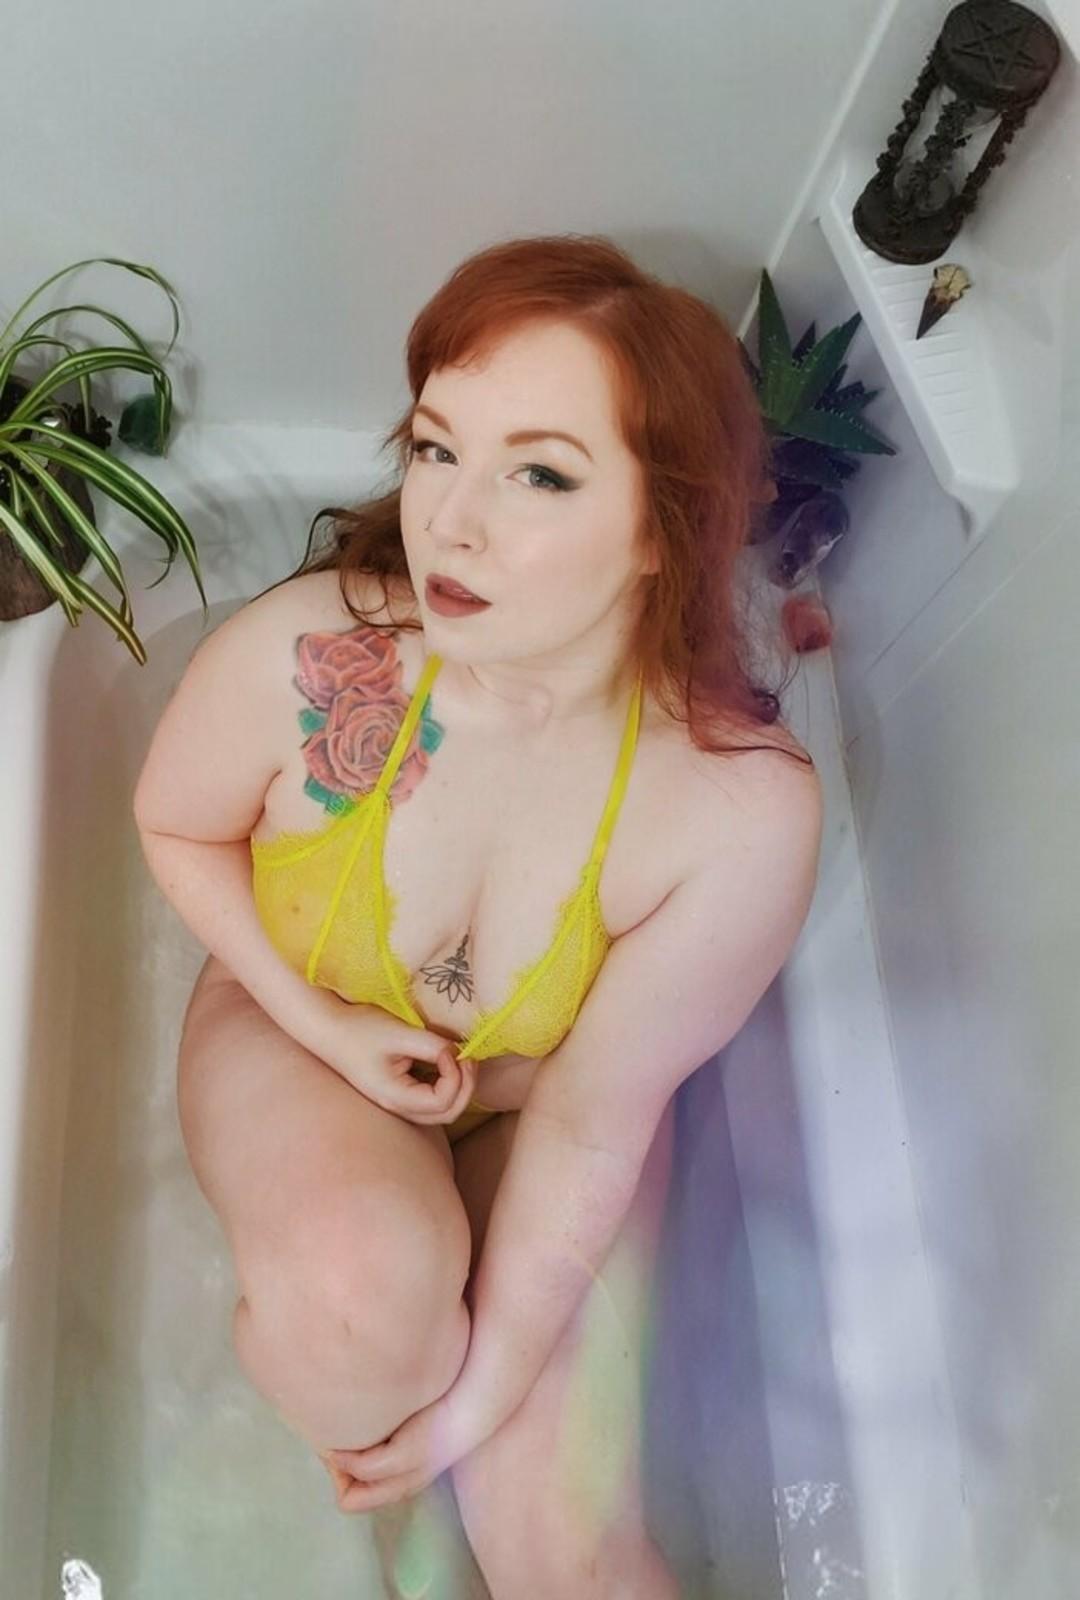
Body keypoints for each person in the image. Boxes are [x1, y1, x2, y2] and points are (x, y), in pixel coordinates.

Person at [133, 233, 822, 1597]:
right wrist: (328, 1033)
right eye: (437, 448)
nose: (449, 519)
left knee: (566, 1557)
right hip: (293, 1026)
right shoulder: (311, 659)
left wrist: (484, 1398)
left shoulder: (735, 809)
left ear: (662, 528)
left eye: (539, 475)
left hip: (545, 1110)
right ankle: (376, 1469)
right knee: (362, 1316)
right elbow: (174, 824)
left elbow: (591, 1121)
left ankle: (442, 1471)